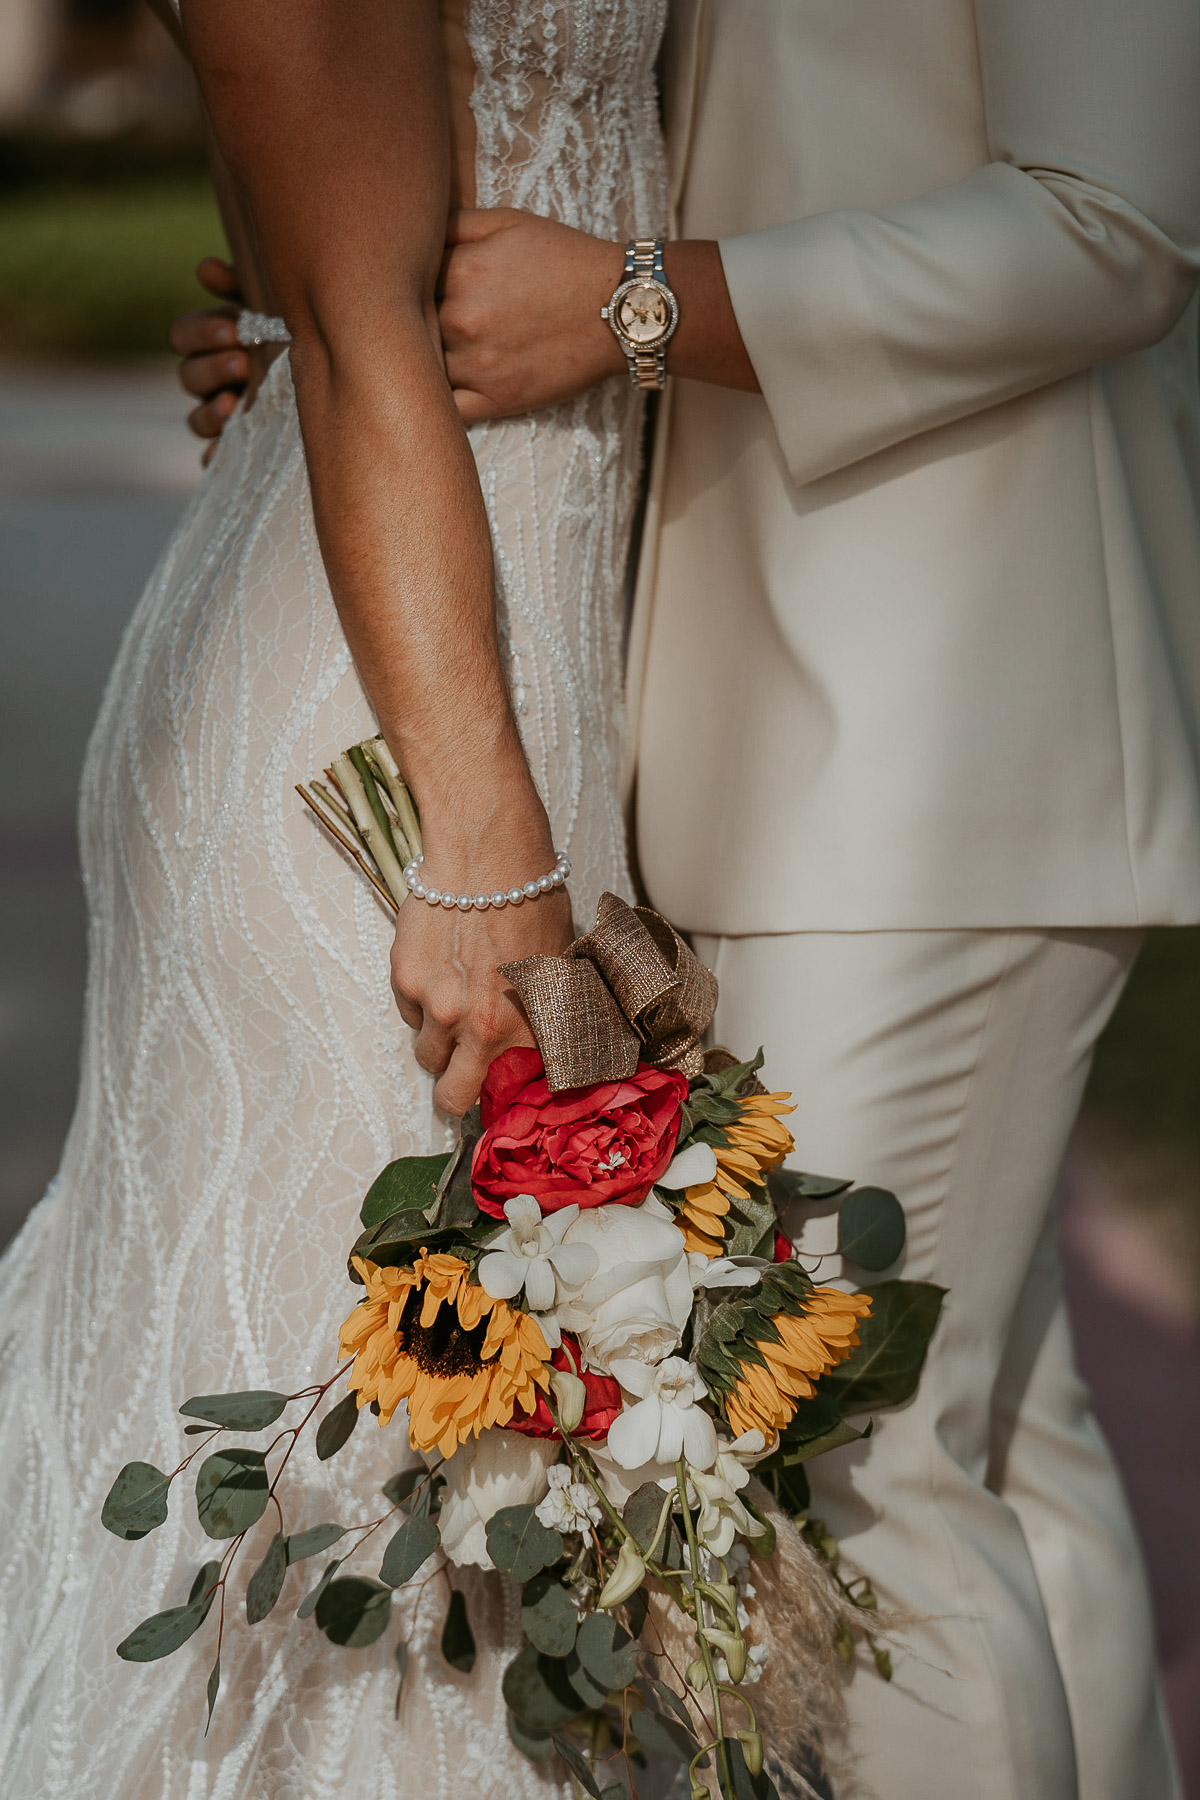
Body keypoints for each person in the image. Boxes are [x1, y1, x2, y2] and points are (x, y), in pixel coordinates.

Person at [180, 1, 1200, 1796]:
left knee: (852, 1477)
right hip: (739, 704)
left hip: (937, 712)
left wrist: (634, 303)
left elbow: (1116, 223)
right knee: (1000, 1447)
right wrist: (338, 323)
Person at [0, 2, 669, 1795]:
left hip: (509, 664)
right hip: (391, 756)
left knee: (476, 1489)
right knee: (352, 1492)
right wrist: (489, 853)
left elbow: (301, 254)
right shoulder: (467, 819)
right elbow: (364, 326)